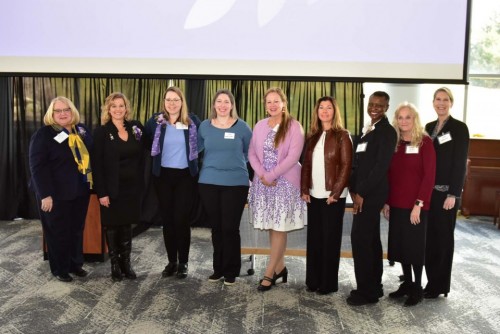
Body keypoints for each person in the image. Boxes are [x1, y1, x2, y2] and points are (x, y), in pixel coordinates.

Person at [29, 96, 93, 282]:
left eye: (66, 110)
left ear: (72, 111)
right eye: (58, 111)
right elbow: (37, 167)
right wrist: (45, 195)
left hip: (80, 190)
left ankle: (75, 264)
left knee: (76, 230)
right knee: (58, 232)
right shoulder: (44, 134)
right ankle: (60, 269)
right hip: (55, 194)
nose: (63, 113)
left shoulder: (81, 130)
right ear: (52, 114)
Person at [248, 87, 306, 292]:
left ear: (284, 104)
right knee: (272, 227)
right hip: (263, 184)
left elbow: (293, 158)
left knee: (280, 227)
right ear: (265, 106)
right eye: (268, 102)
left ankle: (269, 272)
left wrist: (271, 176)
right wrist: (263, 174)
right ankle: (281, 268)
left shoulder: (294, 126)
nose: (272, 105)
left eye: (276, 101)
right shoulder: (260, 125)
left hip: (285, 184)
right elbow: (252, 153)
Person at [382, 102, 436, 306]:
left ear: (415, 119)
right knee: (400, 246)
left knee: (414, 247)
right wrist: (387, 202)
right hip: (396, 203)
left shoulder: (425, 142)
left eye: (408, 117)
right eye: (401, 117)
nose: (404, 121)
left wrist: (419, 204)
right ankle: (407, 283)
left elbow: (429, 176)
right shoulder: (394, 142)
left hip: (416, 206)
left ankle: (417, 288)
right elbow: (389, 173)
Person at [144, 86, 200, 279]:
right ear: (164, 102)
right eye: (168, 100)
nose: (172, 103)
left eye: (176, 99)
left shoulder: (192, 121)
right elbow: (145, 143)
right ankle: (171, 261)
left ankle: (183, 262)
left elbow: (202, 144)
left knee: (181, 220)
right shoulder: (156, 122)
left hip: (185, 176)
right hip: (163, 177)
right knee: (167, 220)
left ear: (182, 102)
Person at [347, 91, 397, 306]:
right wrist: (352, 188)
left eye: (379, 105)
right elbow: (359, 163)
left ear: (386, 107)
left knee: (361, 240)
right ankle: (373, 285)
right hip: (363, 192)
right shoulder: (369, 129)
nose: (374, 107)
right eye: (371, 104)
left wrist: (361, 193)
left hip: (371, 194)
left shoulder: (387, 131)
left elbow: (380, 167)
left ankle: (366, 291)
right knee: (371, 240)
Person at [198, 89, 252, 286]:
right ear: (214, 104)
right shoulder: (204, 126)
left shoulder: (243, 127)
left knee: (230, 228)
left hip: (235, 184)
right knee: (216, 228)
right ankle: (218, 269)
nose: (222, 105)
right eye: (219, 101)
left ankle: (231, 270)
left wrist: (232, 164)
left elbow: (248, 152)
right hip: (208, 182)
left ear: (231, 105)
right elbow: (197, 149)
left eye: (226, 102)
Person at [300, 96, 352, 295]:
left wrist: (336, 193)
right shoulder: (313, 136)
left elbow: (347, 166)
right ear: (317, 111)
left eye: (329, 107)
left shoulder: (342, 135)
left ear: (334, 111)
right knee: (314, 239)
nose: (324, 111)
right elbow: (306, 166)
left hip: (332, 197)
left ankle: (328, 284)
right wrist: (304, 189)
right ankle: (313, 281)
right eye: (321, 107)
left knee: (330, 240)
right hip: (314, 195)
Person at [93, 92, 145, 281]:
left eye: (121, 105)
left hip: (131, 188)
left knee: (126, 225)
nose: (117, 109)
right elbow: (97, 165)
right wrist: (102, 192)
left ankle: (126, 263)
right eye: (113, 106)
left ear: (126, 108)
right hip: (111, 189)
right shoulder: (101, 132)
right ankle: (115, 264)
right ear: (108, 109)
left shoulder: (134, 128)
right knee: (112, 226)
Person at [424, 87, 469, 299]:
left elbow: (460, 163)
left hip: (446, 195)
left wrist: (453, 193)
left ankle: (440, 284)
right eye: (437, 99)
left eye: (445, 100)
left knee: (443, 239)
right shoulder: (429, 126)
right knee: (430, 238)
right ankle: (431, 279)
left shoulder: (459, 128)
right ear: (433, 102)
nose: (441, 103)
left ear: (451, 103)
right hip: (429, 194)